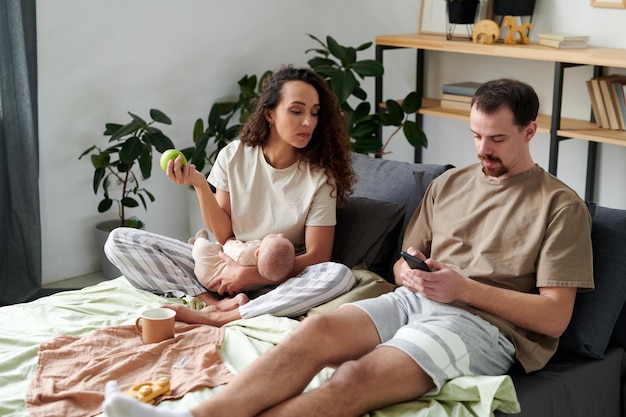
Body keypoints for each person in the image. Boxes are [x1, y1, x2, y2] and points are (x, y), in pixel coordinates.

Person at [102, 78, 594, 417]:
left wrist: (462, 288)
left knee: (353, 380)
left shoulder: (560, 207)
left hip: (483, 325)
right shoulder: (450, 184)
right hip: (412, 299)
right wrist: (408, 273)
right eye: (476, 136)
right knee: (313, 334)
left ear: (531, 131)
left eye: (498, 140)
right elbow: (409, 255)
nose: (483, 151)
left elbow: (553, 318)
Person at [104, 65, 357, 326]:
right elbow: (224, 236)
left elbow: (318, 256)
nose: (308, 122)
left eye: (314, 113)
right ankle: (212, 305)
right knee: (119, 240)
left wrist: (251, 276)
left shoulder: (320, 178)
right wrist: (201, 185)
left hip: (281, 278)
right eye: (296, 111)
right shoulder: (233, 155)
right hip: (226, 263)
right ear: (269, 114)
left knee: (340, 275)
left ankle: (229, 316)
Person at [191, 232, 296, 309]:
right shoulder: (269, 274)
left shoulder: (247, 252)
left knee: (201, 249)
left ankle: (199, 239)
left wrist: (230, 240)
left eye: (273, 236)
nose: (281, 234)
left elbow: (227, 245)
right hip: (232, 288)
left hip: (209, 275)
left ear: (257, 253)